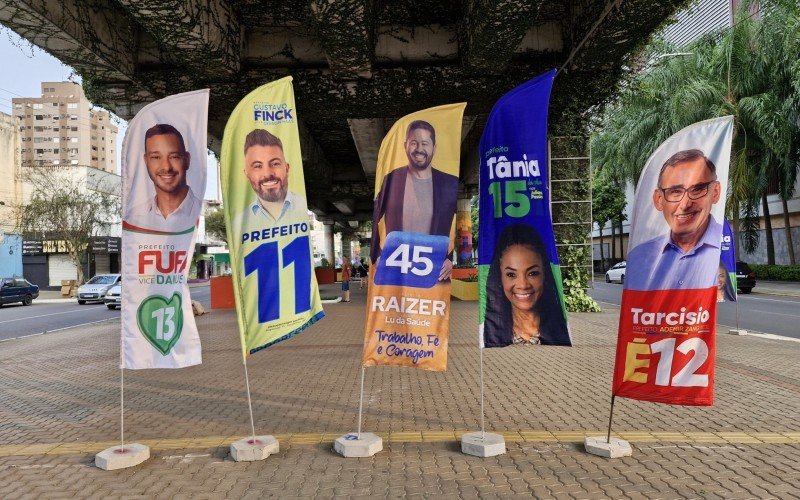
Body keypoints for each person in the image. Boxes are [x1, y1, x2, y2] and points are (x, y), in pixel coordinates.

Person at [370, 120, 459, 281]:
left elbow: (459, 223)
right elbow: (376, 217)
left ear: (434, 147)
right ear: (405, 145)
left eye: (425, 143)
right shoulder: (391, 179)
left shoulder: (449, 183)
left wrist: (450, 258)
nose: (419, 149)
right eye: (414, 143)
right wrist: (376, 254)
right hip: (396, 269)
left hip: (434, 271)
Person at [625, 149, 723, 291]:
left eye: (697, 189)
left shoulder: (724, 248)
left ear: (715, 192)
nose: (685, 204)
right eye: (675, 192)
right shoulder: (639, 257)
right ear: (658, 200)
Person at [483, 224, 571, 347]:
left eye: (532, 273)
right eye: (511, 274)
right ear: (499, 277)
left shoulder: (560, 334)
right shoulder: (490, 333)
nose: (523, 285)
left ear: (545, 274)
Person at [127, 124, 202, 230]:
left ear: (187, 160)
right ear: (146, 161)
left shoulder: (203, 214)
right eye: (156, 157)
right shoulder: (133, 218)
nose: (166, 167)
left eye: (174, 157)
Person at [234, 129, 309, 229]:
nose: (267, 174)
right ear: (247, 174)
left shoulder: (303, 206)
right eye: (257, 166)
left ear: (286, 168)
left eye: (275, 163)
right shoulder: (239, 224)